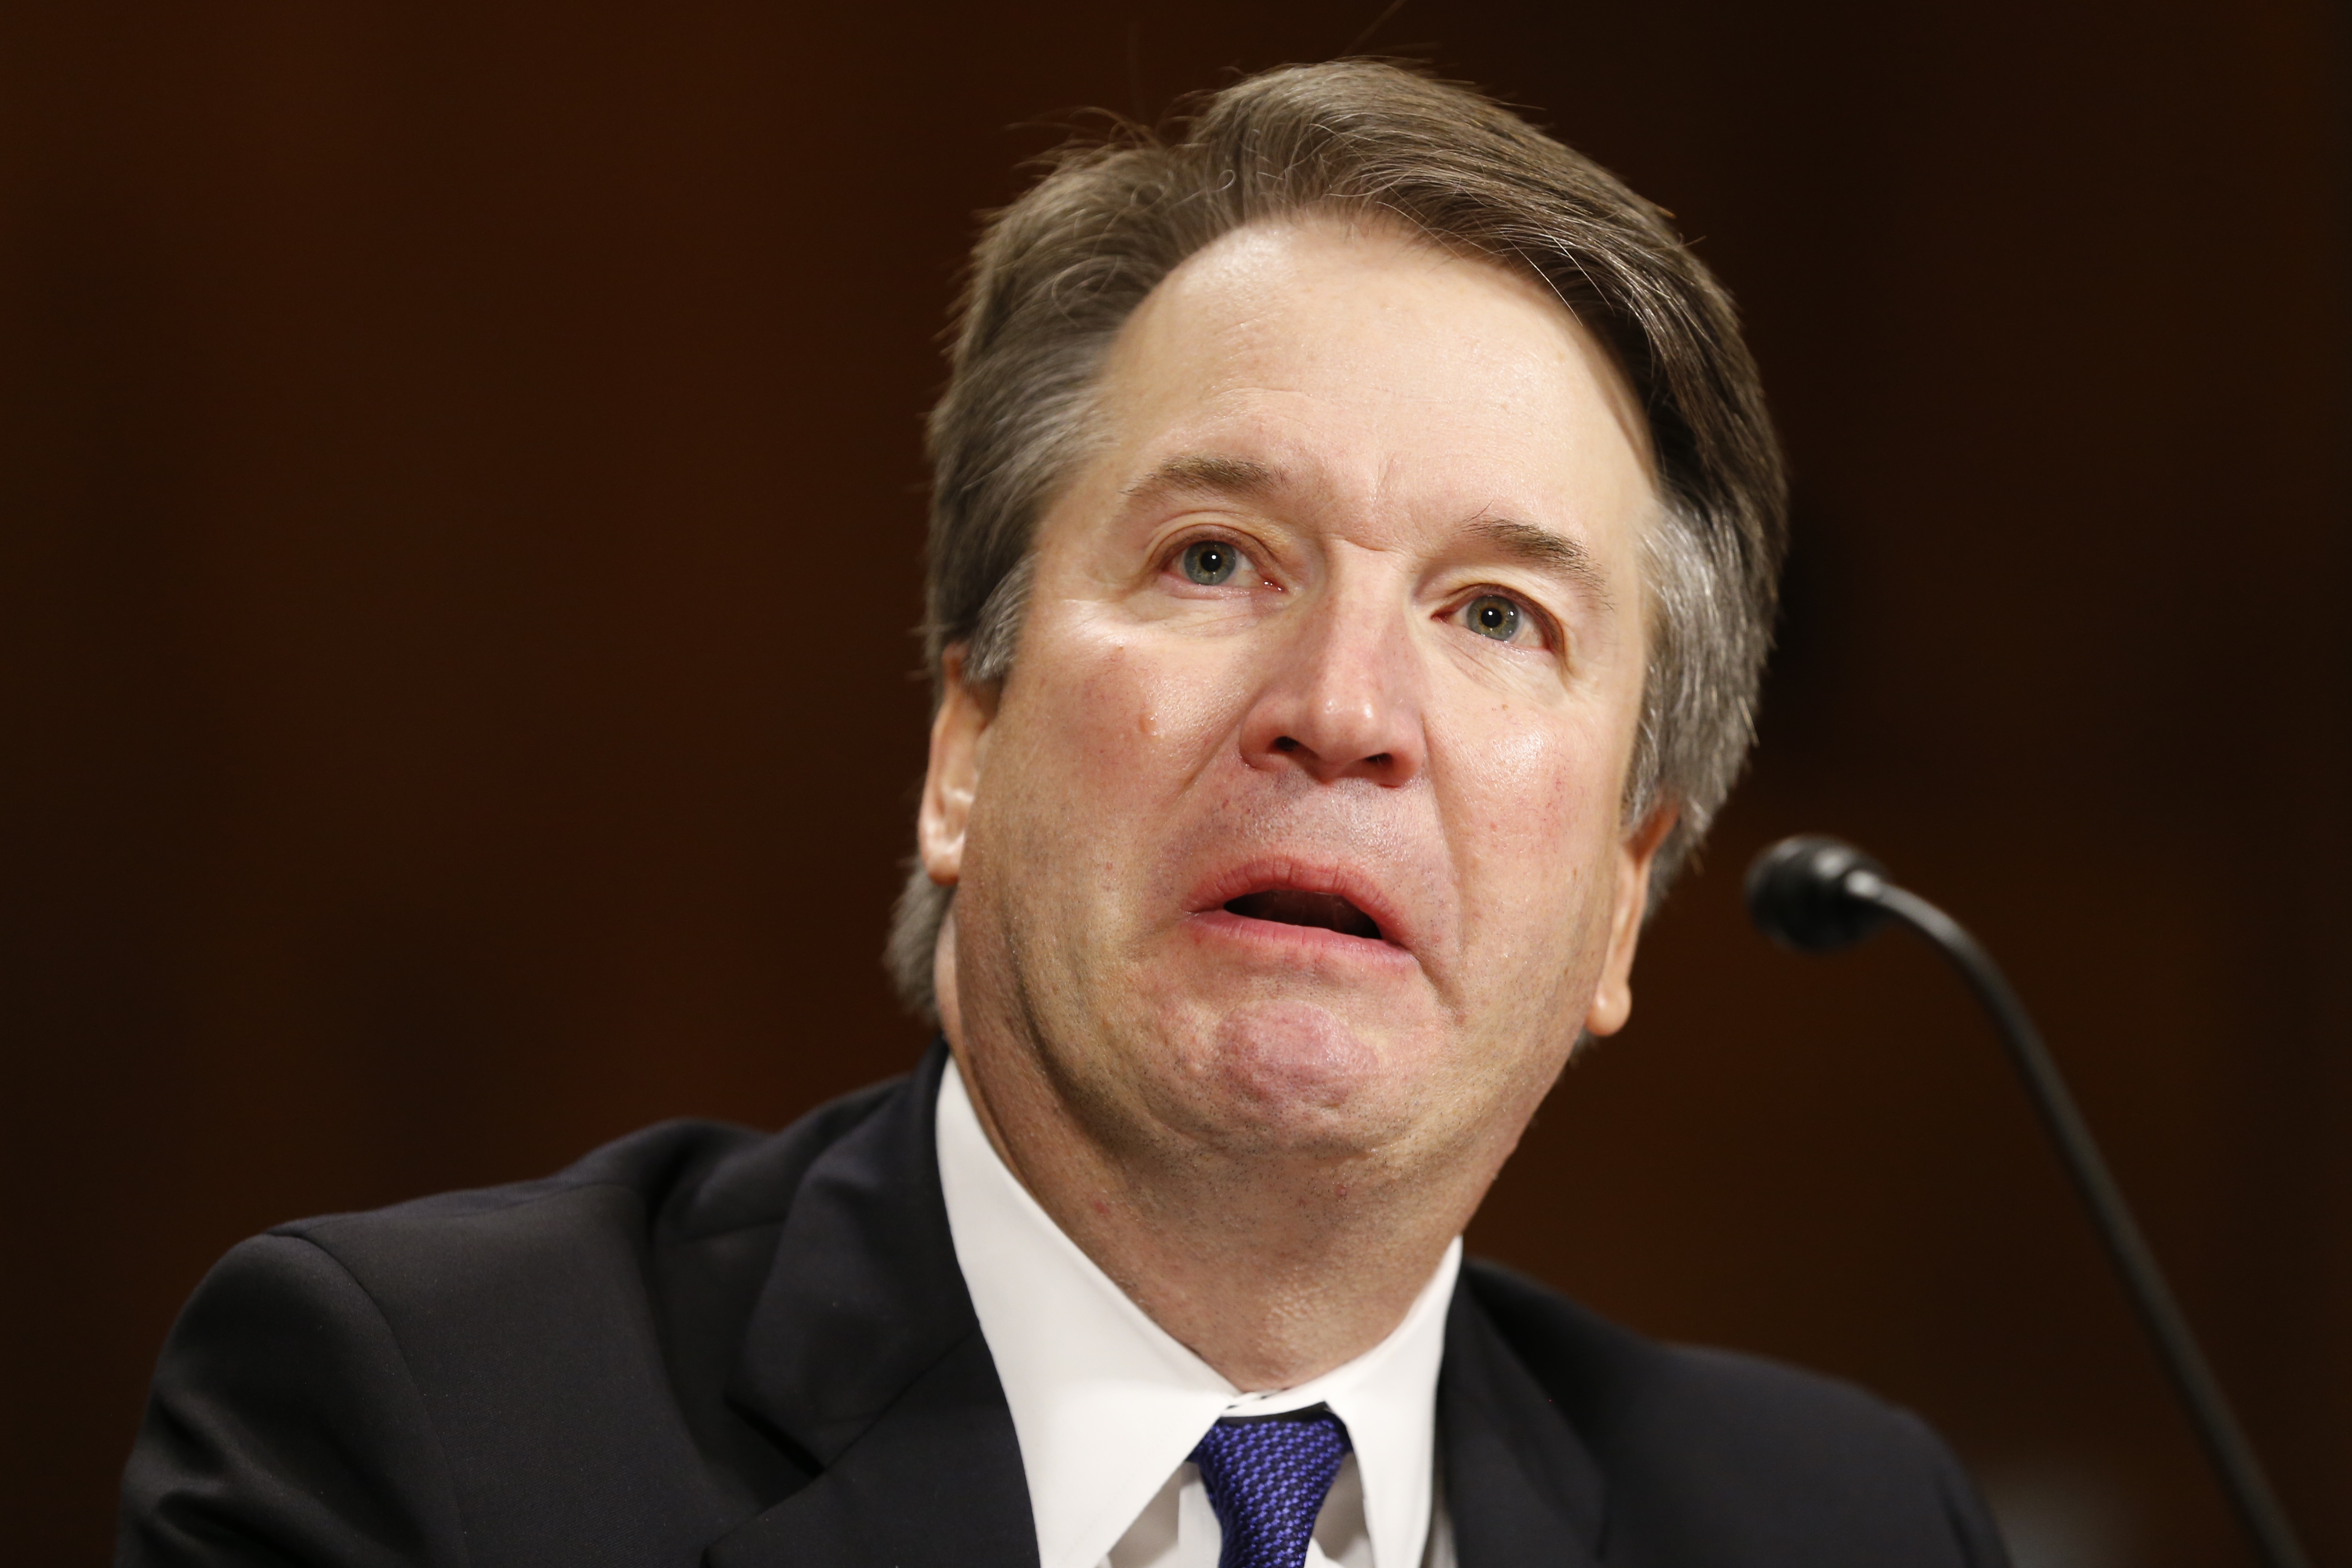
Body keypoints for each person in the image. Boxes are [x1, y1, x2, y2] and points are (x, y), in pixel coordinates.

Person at [118, 61, 2010, 1568]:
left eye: (1495, 616)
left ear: (1621, 897)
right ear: (966, 745)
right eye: (1214, 559)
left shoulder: (1838, 1523)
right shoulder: (434, 1437)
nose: (1344, 712)